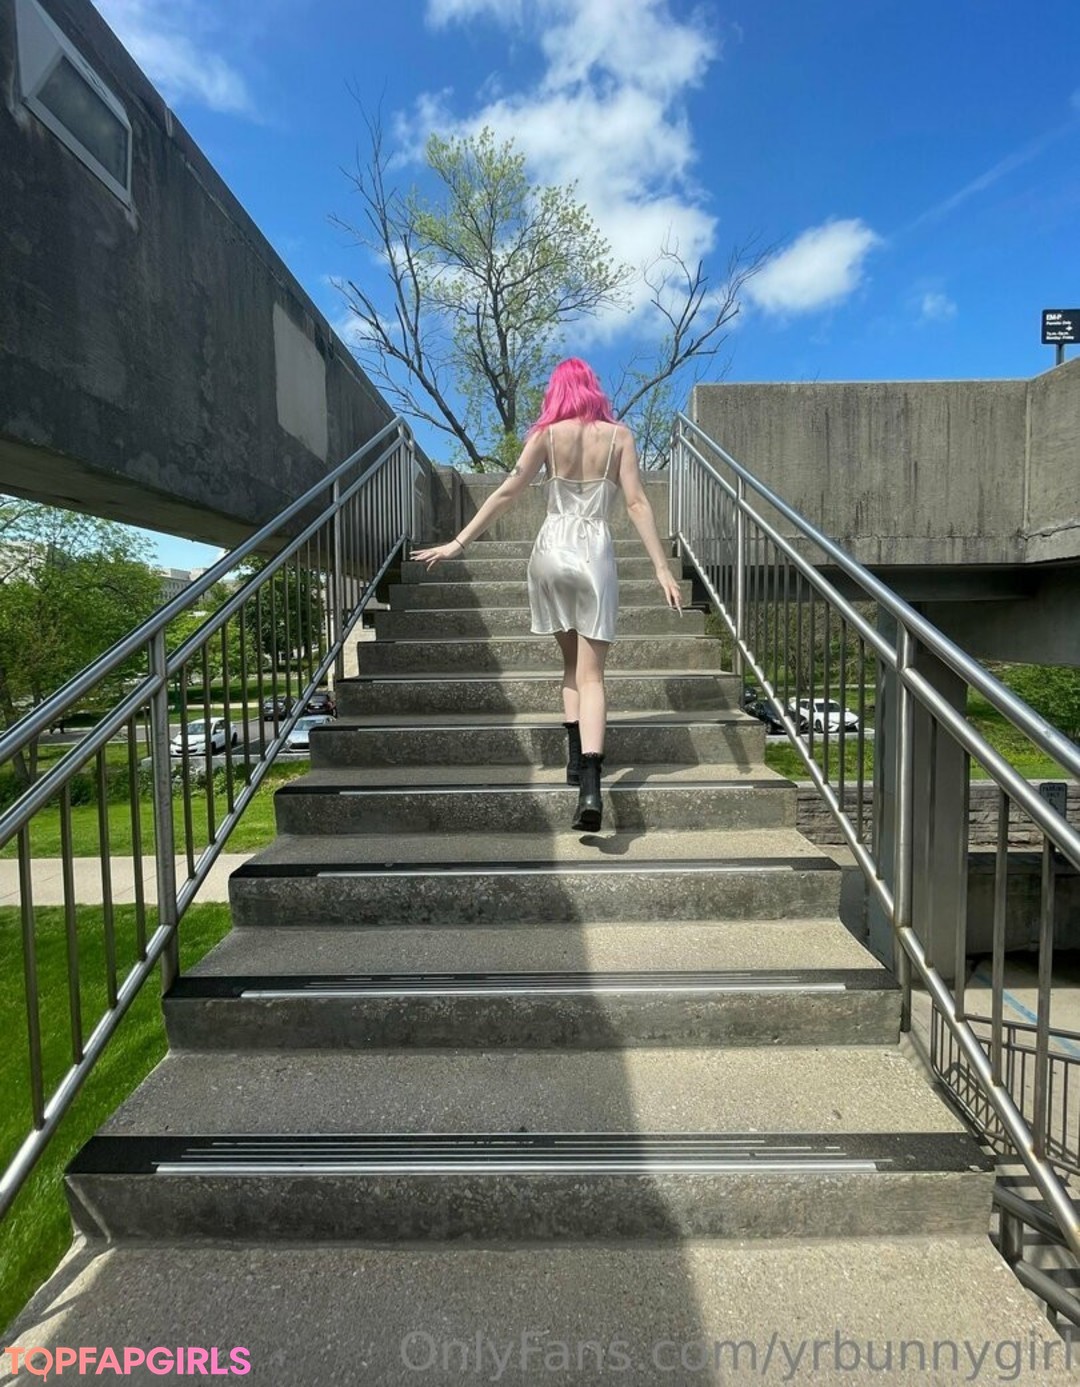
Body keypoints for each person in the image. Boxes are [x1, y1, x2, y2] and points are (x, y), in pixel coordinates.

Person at [412, 358, 682, 831]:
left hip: (550, 553)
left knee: (570, 664)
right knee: (593, 675)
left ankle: (574, 760)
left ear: (557, 391)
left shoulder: (547, 435)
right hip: (593, 553)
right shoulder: (619, 437)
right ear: (593, 389)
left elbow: (507, 492)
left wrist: (458, 543)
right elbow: (637, 502)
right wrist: (661, 567)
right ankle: (591, 785)